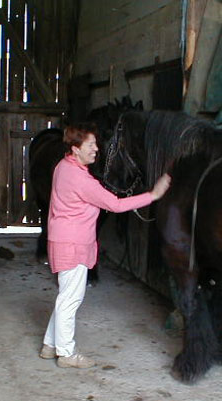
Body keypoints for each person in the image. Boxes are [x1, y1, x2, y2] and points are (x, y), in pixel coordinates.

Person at [40, 122, 171, 368]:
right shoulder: (81, 179)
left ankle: (50, 345)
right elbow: (116, 205)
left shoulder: (62, 167)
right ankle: (66, 354)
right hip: (73, 243)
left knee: (66, 296)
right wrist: (153, 195)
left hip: (63, 240)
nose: (96, 149)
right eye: (91, 145)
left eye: (95, 144)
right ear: (76, 149)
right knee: (70, 299)